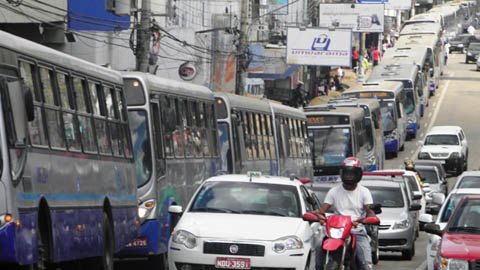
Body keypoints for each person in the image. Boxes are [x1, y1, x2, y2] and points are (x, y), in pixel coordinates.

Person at [317, 157, 376, 270]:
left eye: (352, 173)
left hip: (356, 229)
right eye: (347, 173)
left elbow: (370, 211)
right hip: (336, 231)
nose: (349, 176)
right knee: (319, 245)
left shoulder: (364, 192)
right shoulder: (333, 191)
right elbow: (322, 211)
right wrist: (318, 216)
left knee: (366, 264)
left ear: (358, 174)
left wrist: (371, 217)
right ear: (342, 173)